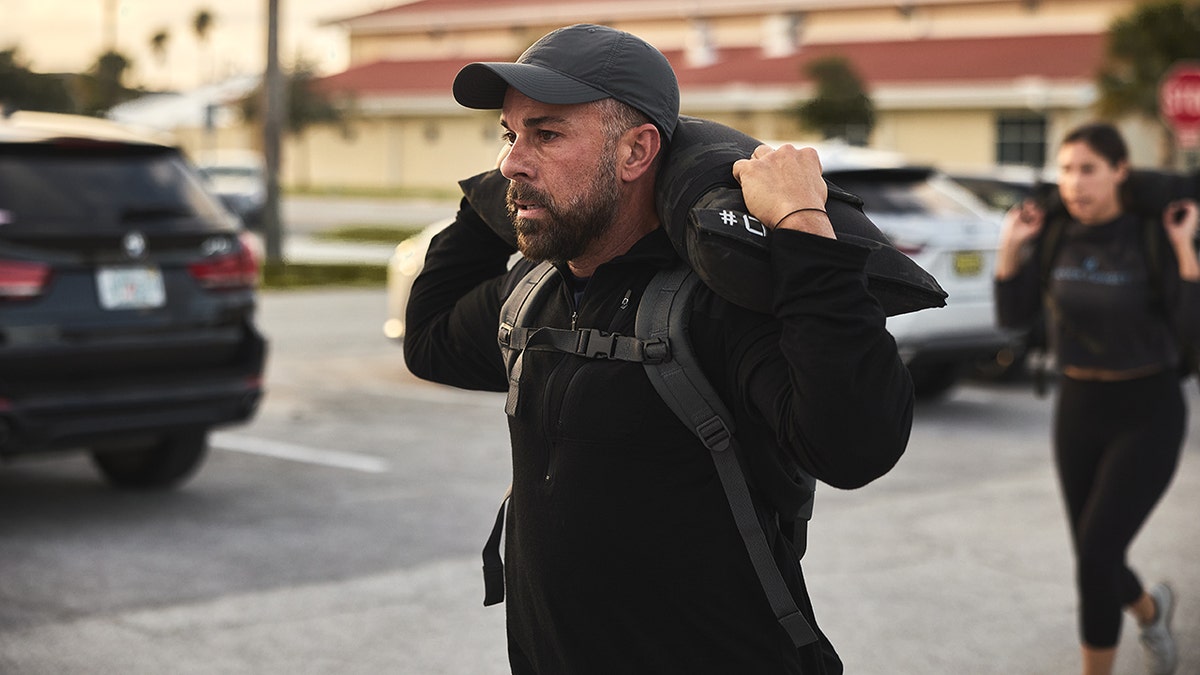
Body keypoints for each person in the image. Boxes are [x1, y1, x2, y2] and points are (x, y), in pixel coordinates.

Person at [404, 24, 914, 674]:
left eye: (548, 133)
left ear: (637, 150)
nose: (512, 159)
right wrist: (501, 193)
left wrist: (804, 229)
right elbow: (427, 343)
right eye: (510, 134)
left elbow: (855, 442)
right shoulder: (536, 293)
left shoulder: (710, 305)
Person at [994, 121, 1196, 675]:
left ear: (1119, 172)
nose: (1075, 184)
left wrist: (1184, 250)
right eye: (1065, 170)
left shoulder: (1151, 232)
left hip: (1148, 411)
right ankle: (1151, 610)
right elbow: (1013, 319)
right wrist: (1011, 250)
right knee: (1094, 554)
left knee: (1097, 556)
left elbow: (1192, 328)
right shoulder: (1055, 232)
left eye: (1088, 170)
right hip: (1078, 408)